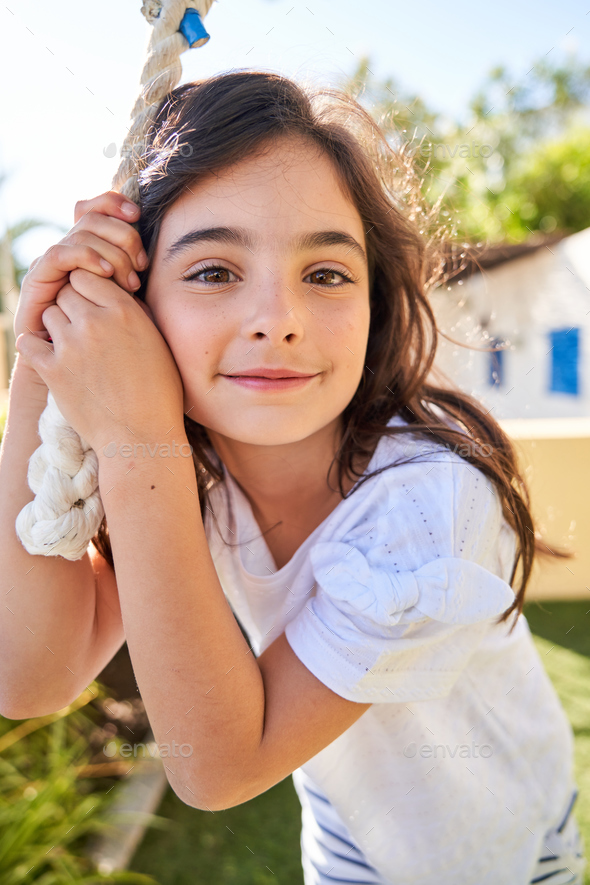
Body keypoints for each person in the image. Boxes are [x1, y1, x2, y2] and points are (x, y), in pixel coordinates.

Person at [2, 70, 586, 884]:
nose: (278, 316)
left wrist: (138, 443)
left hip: (501, 854)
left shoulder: (428, 504)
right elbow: (31, 675)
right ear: (135, 306)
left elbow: (217, 767)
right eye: (213, 271)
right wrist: (45, 355)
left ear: (375, 302)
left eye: (326, 274)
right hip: (346, 845)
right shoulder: (186, 478)